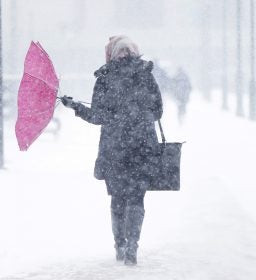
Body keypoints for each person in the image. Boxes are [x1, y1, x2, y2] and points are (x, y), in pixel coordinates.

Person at [61, 35, 163, 265]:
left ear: (113, 54)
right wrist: (138, 118)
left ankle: (120, 245)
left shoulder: (106, 78)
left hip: (115, 148)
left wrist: (75, 106)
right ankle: (133, 247)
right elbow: (158, 111)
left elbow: (96, 116)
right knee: (136, 199)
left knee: (118, 199)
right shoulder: (146, 76)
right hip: (143, 147)